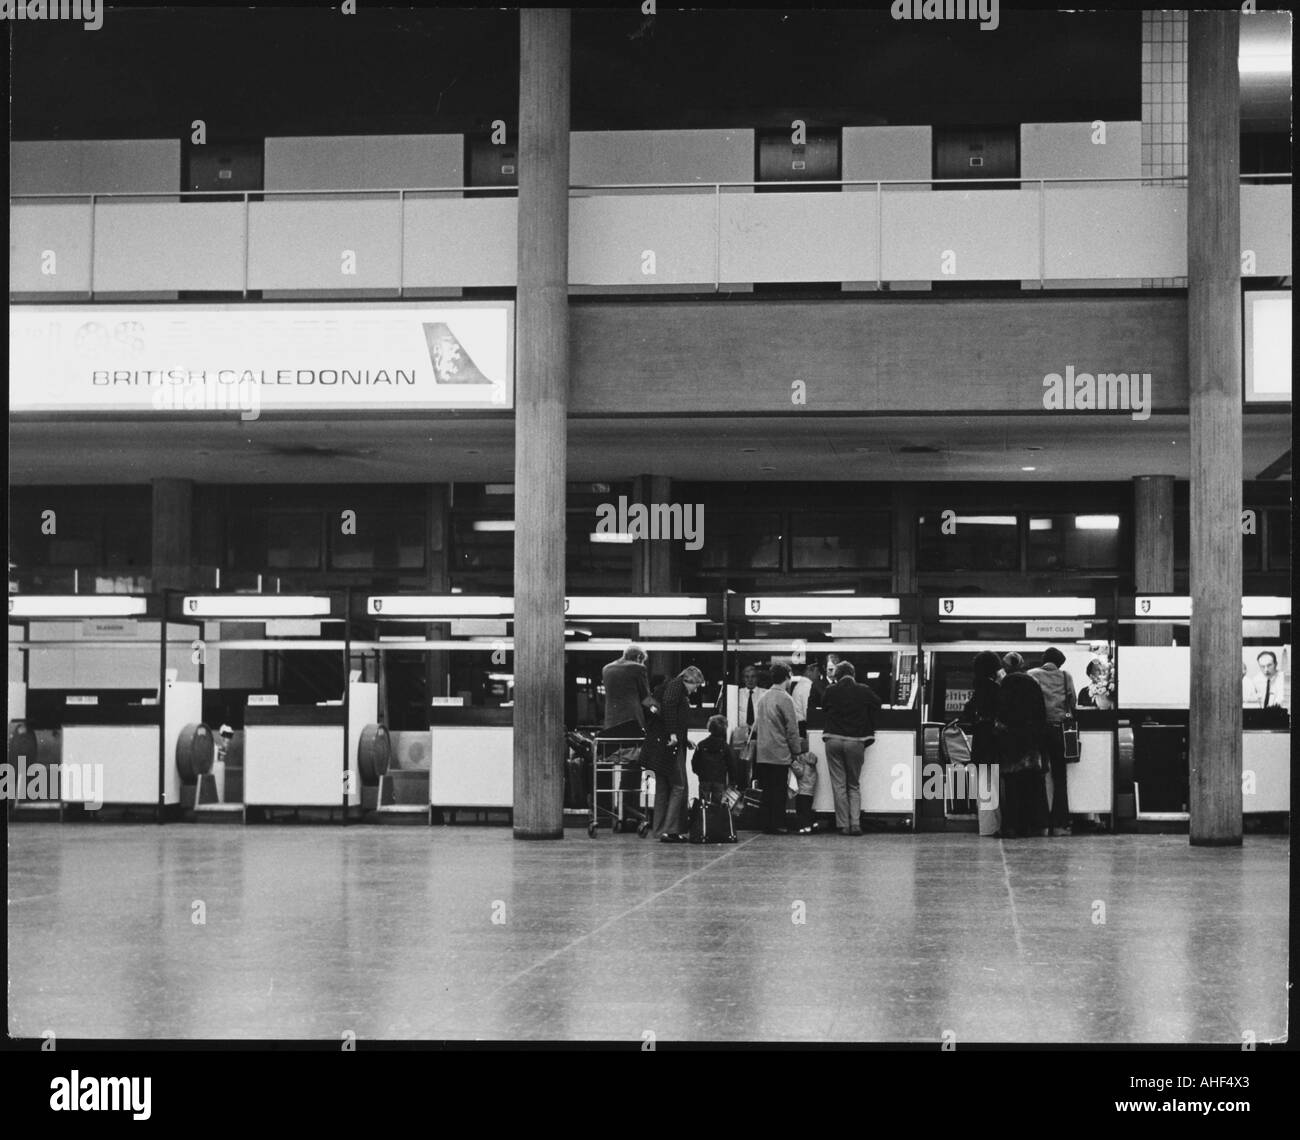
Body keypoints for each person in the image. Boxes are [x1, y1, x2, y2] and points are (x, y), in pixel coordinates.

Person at [820, 659, 881, 836]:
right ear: (853, 675)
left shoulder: (831, 690)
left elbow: (824, 707)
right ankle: (855, 824)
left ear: (837, 677)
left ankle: (843, 825)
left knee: (839, 784)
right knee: (853, 784)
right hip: (856, 740)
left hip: (834, 739)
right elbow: (877, 704)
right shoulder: (864, 690)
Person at [996, 652, 1049, 838]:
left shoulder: (1006, 683)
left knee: (1012, 786)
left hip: (1011, 742)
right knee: (1029, 785)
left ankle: (1011, 827)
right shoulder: (1032, 682)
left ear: (1007, 666)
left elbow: (1000, 711)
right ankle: (1029, 826)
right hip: (1030, 742)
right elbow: (1042, 712)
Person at [1028, 647, 1077, 836]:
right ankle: (1059, 825)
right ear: (1060, 662)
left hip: (1038, 731)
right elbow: (1073, 703)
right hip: (1058, 730)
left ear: (1044, 660)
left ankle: (1040, 825)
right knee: (1060, 778)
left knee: (1038, 776)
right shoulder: (1066, 676)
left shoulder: (1032, 675)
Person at [655, 665, 705, 842]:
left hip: (666, 744)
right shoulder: (677, 687)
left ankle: (661, 828)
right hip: (671, 745)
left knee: (664, 787)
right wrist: (674, 735)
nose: (696, 689)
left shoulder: (672, 686)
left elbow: (671, 712)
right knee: (679, 786)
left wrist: (684, 739)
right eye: (696, 685)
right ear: (688, 680)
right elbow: (668, 707)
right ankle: (671, 830)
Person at [752, 664, 802, 834]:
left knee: (766, 790)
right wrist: (796, 751)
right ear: (787, 677)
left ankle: (765, 823)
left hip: (762, 752)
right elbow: (792, 729)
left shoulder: (763, 698)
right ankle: (777, 823)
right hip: (779, 752)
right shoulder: (786, 699)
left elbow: (757, 726)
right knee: (779, 791)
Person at [961, 651, 1002, 838]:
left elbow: (966, 715)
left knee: (984, 786)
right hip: (994, 742)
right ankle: (993, 825)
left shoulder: (978, 689)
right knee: (993, 785)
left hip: (981, 742)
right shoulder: (996, 689)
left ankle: (987, 826)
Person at [691, 714, 741, 803]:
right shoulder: (725, 747)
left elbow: (694, 762)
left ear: (709, 728)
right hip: (719, 780)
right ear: (724, 729)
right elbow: (731, 764)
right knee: (717, 805)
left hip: (704, 779)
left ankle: (704, 817)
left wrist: (699, 773)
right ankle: (715, 817)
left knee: (703, 804)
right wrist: (733, 781)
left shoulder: (701, 744)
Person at [601, 644, 649, 735]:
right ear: (639, 657)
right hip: (632, 720)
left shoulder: (606, 669)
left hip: (611, 721)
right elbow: (646, 698)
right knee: (633, 748)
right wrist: (658, 709)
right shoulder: (638, 668)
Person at [787, 661, 813, 736]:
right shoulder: (807, 686)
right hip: (803, 727)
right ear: (809, 671)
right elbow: (807, 713)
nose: (818, 674)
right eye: (816, 671)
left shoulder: (801, 685)